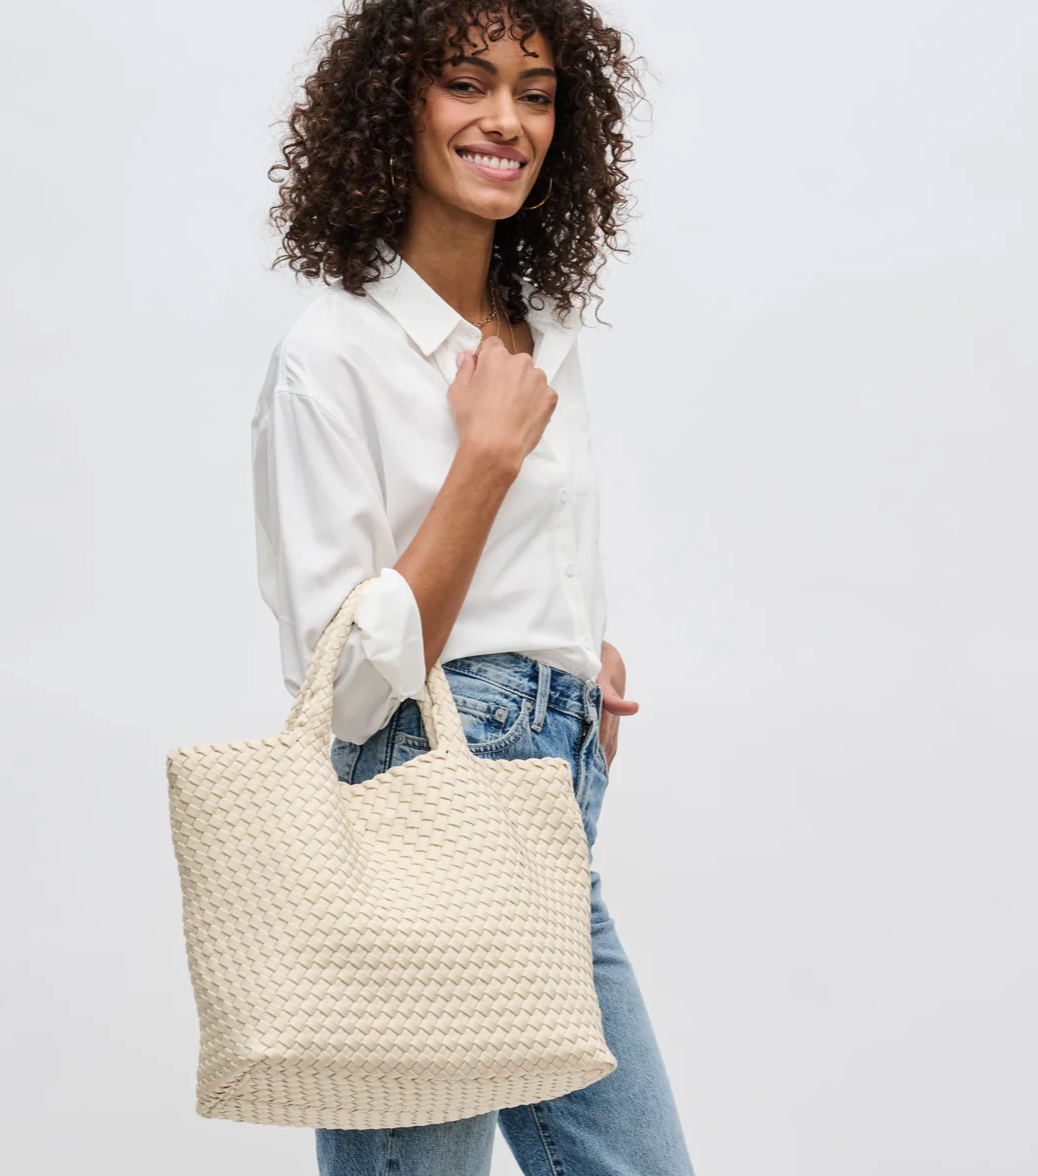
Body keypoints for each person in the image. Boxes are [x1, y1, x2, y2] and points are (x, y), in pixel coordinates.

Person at [252, 2, 696, 1173]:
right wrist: (483, 463)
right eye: (467, 84)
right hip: (417, 805)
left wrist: (571, 657)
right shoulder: (332, 355)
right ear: (393, 106)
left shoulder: (543, 331)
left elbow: (523, 575)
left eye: (535, 94)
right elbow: (347, 690)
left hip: (550, 804)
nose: (507, 120)